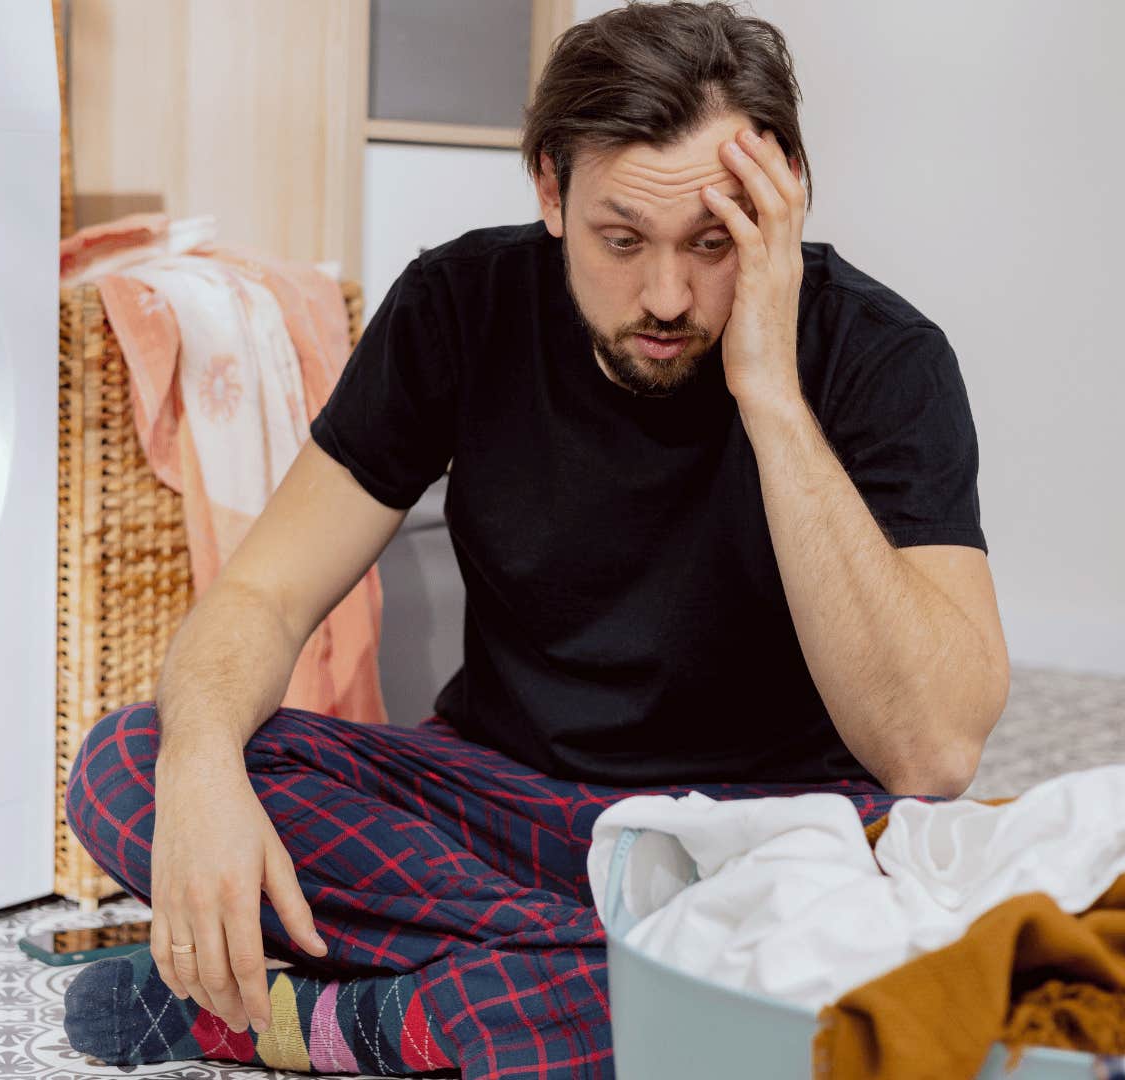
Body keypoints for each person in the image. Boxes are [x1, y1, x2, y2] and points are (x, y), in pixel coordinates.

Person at [62, 3, 1009, 1076]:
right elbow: (264, 598)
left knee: (859, 939)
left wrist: (770, 396)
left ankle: (352, 1021)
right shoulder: (461, 303)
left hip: (759, 841)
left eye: (713, 243)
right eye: (622, 240)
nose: (667, 296)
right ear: (550, 189)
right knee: (129, 763)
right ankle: (626, 983)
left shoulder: (883, 358)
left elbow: (932, 754)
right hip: (500, 804)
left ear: (780, 202)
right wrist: (198, 777)